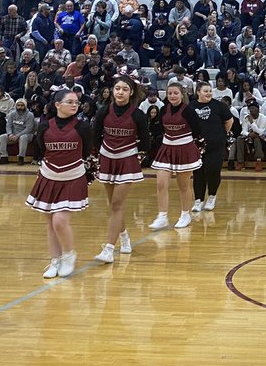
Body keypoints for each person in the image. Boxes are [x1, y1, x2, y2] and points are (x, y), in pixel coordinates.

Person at [27, 87, 91, 279]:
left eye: (76, 102)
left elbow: (86, 150)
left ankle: (69, 255)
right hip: (49, 177)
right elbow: (40, 149)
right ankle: (55, 260)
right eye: (69, 102)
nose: (74, 105)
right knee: (50, 222)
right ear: (57, 105)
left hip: (72, 177)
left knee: (60, 221)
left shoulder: (83, 127)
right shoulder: (45, 126)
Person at [92, 74, 151, 263]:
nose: (120, 92)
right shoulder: (103, 111)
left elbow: (146, 142)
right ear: (112, 91)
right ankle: (124, 237)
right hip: (107, 159)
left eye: (125, 89)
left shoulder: (138, 114)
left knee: (117, 204)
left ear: (131, 92)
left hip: (127, 160)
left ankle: (109, 249)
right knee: (114, 205)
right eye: (118, 88)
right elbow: (95, 135)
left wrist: (138, 158)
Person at [150, 81, 203, 229]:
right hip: (167, 148)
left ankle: (185, 214)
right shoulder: (163, 110)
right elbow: (161, 128)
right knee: (161, 183)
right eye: (170, 93)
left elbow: (197, 129)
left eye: (175, 93)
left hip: (184, 148)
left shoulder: (188, 110)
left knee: (183, 185)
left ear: (182, 94)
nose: (172, 96)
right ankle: (162, 216)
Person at [189, 81, 233, 213]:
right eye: (205, 91)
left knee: (212, 170)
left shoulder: (219, 106)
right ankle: (198, 200)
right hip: (197, 146)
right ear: (198, 92)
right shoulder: (191, 106)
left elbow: (229, 120)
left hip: (216, 144)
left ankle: (212, 196)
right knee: (198, 173)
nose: (208, 93)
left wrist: (221, 134)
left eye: (210, 91)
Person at [3, 97, 36, 164]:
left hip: (27, 135)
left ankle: (21, 157)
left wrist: (17, 135)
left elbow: (28, 129)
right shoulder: (12, 114)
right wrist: (10, 134)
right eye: (18, 105)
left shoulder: (30, 115)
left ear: (25, 106)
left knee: (23, 137)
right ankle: (4, 157)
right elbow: (8, 126)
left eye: (22, 105)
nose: (20, 107)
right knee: (2, 137)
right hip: (13, 135)